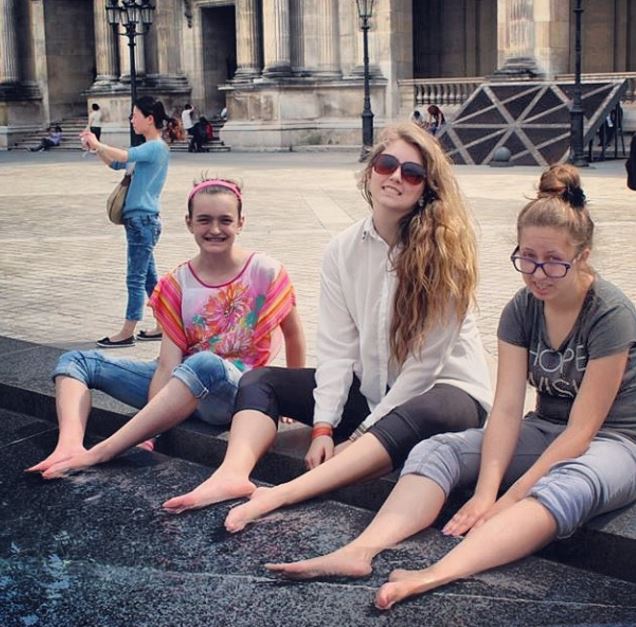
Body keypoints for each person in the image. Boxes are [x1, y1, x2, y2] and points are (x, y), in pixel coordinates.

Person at [265, 164, 636, 612]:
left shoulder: (610, 313)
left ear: (582, 255)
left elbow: (582, 432)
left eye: (554, 261)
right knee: (437, 450)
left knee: (567, 486)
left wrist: (507, 500)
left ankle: (435, 573)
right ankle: (359, 551)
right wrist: (484, 492)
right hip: (545, 426)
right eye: (527, 258)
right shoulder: (520, 309)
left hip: (616, 440)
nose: (539, 273)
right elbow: (506, 409)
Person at [158, 122, 492, 518]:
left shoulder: (444, 253)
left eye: (413, 173)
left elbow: (423, 370)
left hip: (446, 394)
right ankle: (232, 474)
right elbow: (336, 350)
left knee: (423, 409)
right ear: (370, 171)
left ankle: (282, 495)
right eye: (387, 165)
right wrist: (322, 427)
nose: (396, 177)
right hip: (375, 389)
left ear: (426, 188)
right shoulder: (342, 250)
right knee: (260, 380)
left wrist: (361, 435)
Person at [27, 177, 306, 479]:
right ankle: (69, 445)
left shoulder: (265, 271)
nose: (215, 229)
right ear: (189, 223)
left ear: (241, 222)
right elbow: (167, 364)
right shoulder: (177, 282)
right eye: (204, 220)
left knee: (205, 364)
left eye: (225, 220)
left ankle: (103, 451)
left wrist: (290, 398)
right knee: (76, 361)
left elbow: (293, 335)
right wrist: (151, 430)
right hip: (181, 386)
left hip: (234, 392)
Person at [79, 96, 170, 348]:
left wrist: (99, 142)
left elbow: (123, 154)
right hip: (140, 221)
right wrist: (96, 148)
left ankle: (127, 332)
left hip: (143, 221)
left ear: (149, 119)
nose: (131, 120)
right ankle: (164, 325)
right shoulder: (146, 148)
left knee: (135, 278)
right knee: (149, 278)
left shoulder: (156, 147)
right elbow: (116, 163)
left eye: (135, 115)